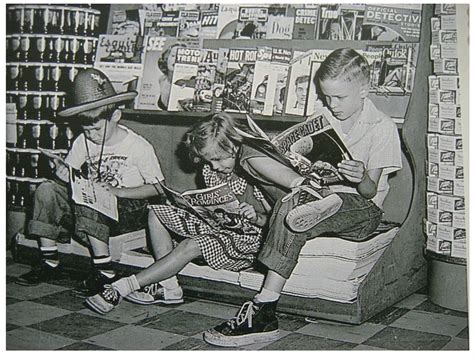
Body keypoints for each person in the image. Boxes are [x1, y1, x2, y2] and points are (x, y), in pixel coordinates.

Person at [203, 48, 402, 347]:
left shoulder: (382, 127)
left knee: (293, 205)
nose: (332, 105)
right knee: (248, 153)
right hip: (315, 190)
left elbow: (371, 190)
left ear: (363, 89)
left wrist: (360, 175)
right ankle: (307, 192)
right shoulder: (322, 116)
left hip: (360, 207)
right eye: (327, 97)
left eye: (340, 98)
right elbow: (301, 150)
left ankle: (264, 308)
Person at [85, 112, 295, 312]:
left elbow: (275, 222)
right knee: (157, 211)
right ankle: (169, 287)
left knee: (193, 244)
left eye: (219, 159)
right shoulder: (211, 170)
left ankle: (122, 287)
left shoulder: (254, 171)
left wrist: (256, 217)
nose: (214, 166)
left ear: (234, 147)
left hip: (250, 240)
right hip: (220, 228)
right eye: (207, 161)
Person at [16, 68, 165, 297]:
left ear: (116, 116)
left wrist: (119, 191)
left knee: (93, 197)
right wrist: (63, 176)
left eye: (95, 130)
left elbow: (157, 188)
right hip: (92, 207)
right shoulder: (82, 141)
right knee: (47, 189)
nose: (91, 136)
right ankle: (49, 260)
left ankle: (105, 271)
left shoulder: (138, 146)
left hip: (129, 210)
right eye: (86, 131)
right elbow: (70, 178)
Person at [156, 44, 181, 110]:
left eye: (179, 56)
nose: (175, 59)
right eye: (173, 55)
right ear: (166, 58)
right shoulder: (162, 79)